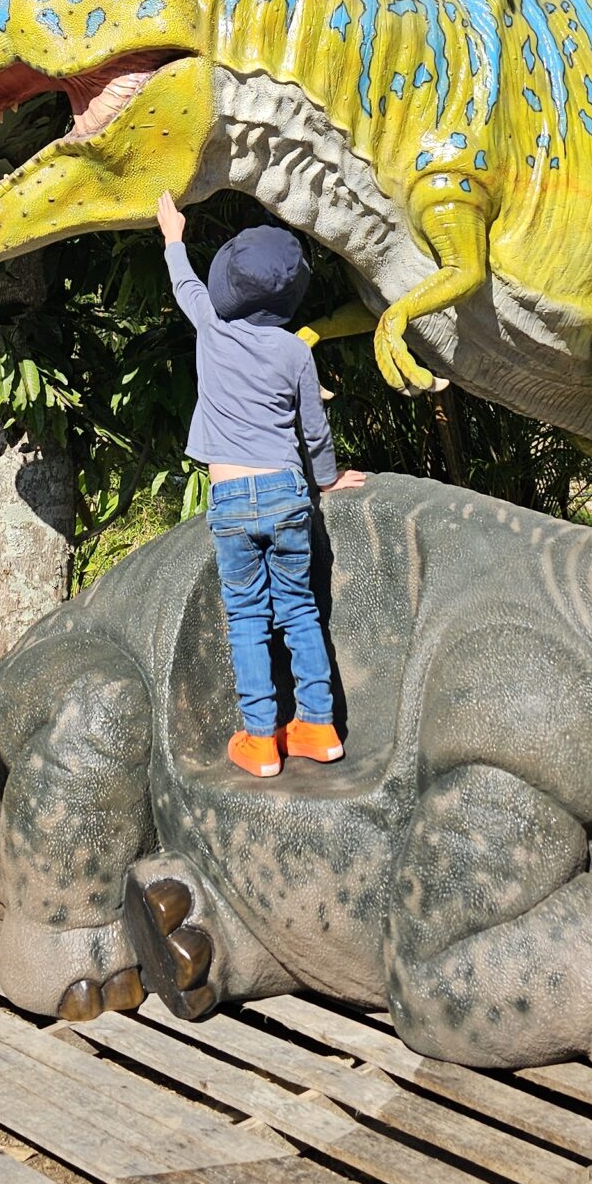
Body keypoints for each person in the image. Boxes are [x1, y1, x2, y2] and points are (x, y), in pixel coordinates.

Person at [156, 191, 366, 779]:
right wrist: (326, 481)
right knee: (300, 610)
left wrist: (174, 238)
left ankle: (259, 739)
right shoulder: (295, 352)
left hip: (229, 498)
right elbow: (315, 432)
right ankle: (319, 728)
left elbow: (185, 288)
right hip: (286, 491)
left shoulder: (211, 331)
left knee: (247, 618)